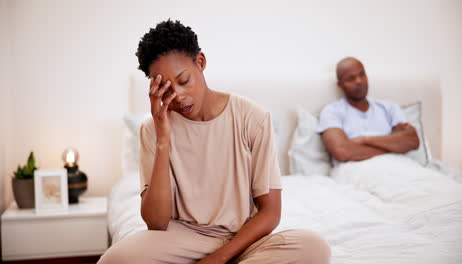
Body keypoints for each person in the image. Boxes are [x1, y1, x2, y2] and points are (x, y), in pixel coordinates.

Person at [98, 19, 330, 264]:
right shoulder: (152, 130)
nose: (178, 96)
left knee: (313, 247)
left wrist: (218, 259)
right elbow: (156, 222)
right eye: (166, 89)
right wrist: (163, 138)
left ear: (200, 62)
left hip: (244, 240)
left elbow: (271, 212)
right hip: (183, 239)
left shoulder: (253, 117)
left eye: (183, 80)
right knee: (115, 260)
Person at [316, 57, 420, 164]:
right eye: (351, 79)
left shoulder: (389, 107)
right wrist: (394, 146)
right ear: (340, 84)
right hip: (355, 170)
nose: (359, 81)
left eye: (362, 74)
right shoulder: (332, 111)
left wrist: (364, 140)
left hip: (397, 165)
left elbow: (412, 141)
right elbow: (342, 152)